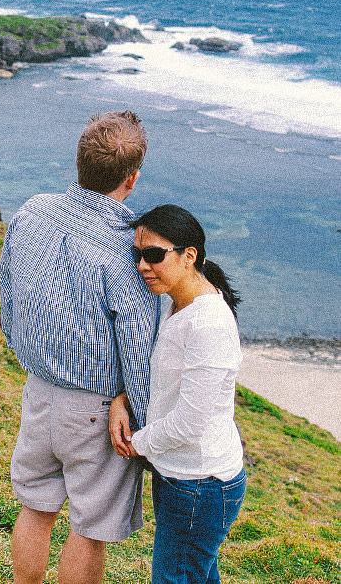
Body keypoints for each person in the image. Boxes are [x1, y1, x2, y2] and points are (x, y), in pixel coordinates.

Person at [0, 111, 159, 584]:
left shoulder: (31, 213)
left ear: (79, 163)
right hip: (96, 410)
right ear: (131, 179)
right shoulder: (124, 250)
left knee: (36, 508)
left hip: (39, 391)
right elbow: (137, 350)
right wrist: (141, 420)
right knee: (88, 530)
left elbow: (8, 294)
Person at [108, 205, 245, 584]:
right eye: (137, 254)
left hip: (200, 484)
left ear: (189, 256)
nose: (142, 266)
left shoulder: (209, 324)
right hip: (184, 478)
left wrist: (138, 442)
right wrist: (123, 398)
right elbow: (159, 377)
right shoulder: (176, 302)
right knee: (195, 574)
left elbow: (190, 423)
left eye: (154, 255)